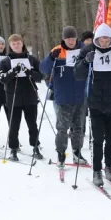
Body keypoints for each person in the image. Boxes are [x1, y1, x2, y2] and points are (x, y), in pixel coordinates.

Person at [74, 23, 111, 187]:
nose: (104, 42)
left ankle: (109, 166)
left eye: (107, 38)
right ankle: (96, 170)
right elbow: (78, 74)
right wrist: (86, 62)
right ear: (97, 39)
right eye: (101, 39)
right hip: (94, 101)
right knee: (98, 138)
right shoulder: (88, 50)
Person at [40, 26, 89, 167]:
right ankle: (61, 154)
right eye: (68, 39)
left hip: (80, 95)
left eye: (73, 38)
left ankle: (77, 152)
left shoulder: (84, 50)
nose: (71, 41)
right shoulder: (57, 51)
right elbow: (43, 69)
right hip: (63, 96)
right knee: (62, 128)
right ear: (63, 39)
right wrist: (50, 57)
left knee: (78, 127)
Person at [0, 33, 44, 161]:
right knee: (14, 125)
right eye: (13, 44)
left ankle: (35, 147)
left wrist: (30, 73)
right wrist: (13, 72)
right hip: (13, 97)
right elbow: (2, 78)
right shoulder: (5, 61)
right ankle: (13, 149)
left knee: (32, 124)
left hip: (30, 96)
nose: (16, 46)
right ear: (10, 46)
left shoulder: (31, 59)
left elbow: (41, 75)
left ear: (22, 43)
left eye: (18, 43)